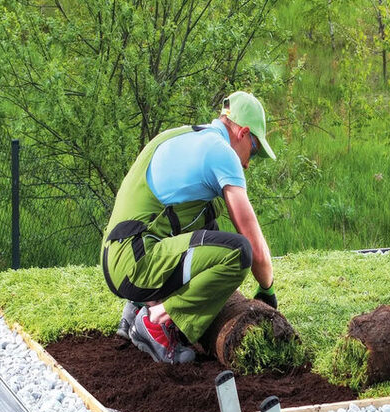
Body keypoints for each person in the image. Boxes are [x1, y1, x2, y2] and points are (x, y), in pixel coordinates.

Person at [100, 91, 279, 364]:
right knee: (238, 252)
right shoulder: (222, 153)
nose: (247, 162)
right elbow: (255, 249)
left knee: (209, 221)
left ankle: (137, 309)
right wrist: (267, 291)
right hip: (136, 264)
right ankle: (158, 323)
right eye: (253, 151)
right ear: (242, 132)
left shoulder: (179, 137)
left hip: (120, 256)